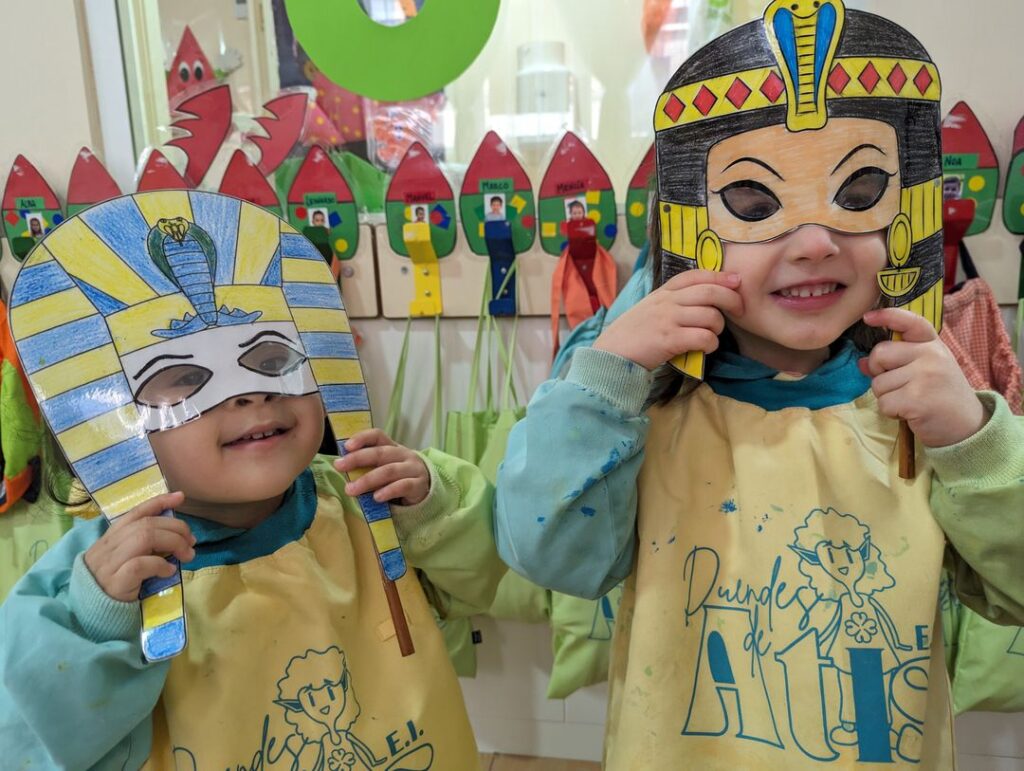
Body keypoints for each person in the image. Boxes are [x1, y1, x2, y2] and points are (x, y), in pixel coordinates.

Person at [494, 2, 1024, 768]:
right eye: (754, 203)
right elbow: (545, 552)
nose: (814, 243)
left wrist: (973, 442)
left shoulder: (918, 407)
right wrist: (607, 373)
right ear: (688, 227)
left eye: (859, 191)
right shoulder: (641, 413)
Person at [0, 191, 502, 769]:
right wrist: (99, 618)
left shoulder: (370, 502)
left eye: (272, 360)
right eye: (184, 377)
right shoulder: (97, 577)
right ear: (105, 427)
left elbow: (481, 580)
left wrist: (430, 509)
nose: (252, 393)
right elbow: (33, 742)